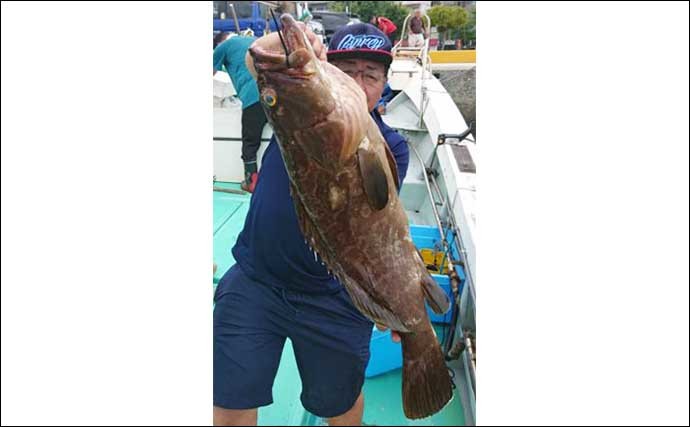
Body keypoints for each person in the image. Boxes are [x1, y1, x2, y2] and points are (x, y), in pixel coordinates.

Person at [213, 23, 409, 427]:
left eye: (370, 75)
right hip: (257, 280)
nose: (358, 81)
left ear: (385, 85)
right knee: (228, 400)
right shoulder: (296, 105)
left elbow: (377, 231)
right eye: (346, 70)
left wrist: (396, 298)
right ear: (326, 73)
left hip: (335, 295)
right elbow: (260, 66)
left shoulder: (392, 149)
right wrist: (264, 49)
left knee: (340, 404)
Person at [213, 33, 268, 192]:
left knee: (250, 142)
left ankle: (251, 181)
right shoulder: (254, 40)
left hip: (253, 97)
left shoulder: (224, 46)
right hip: (276, 94)